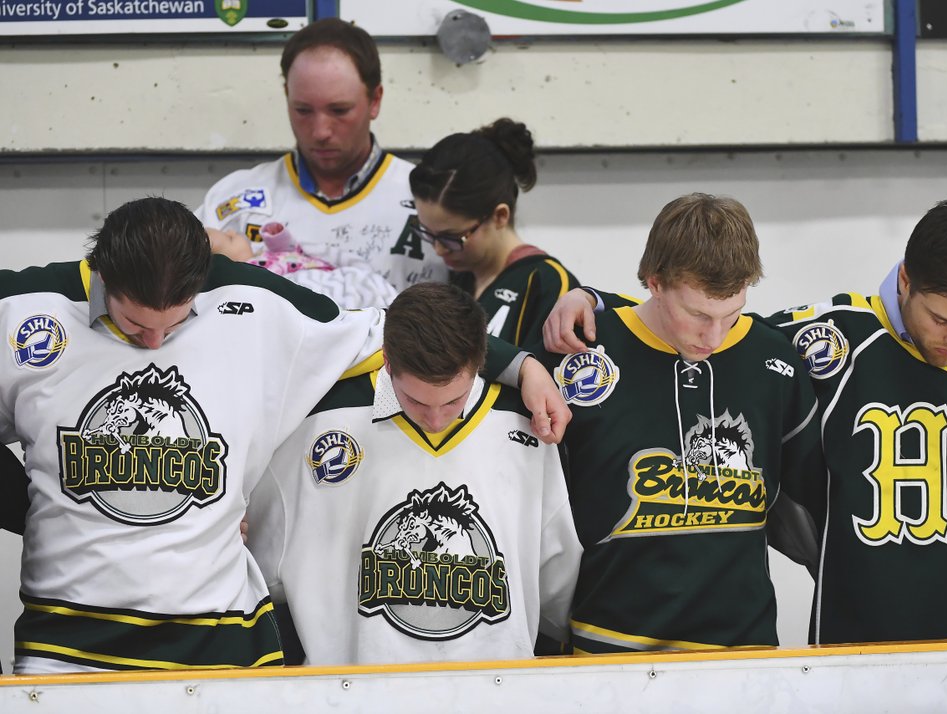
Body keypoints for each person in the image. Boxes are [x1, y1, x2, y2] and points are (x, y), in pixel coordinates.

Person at [0, 196, 569, 674]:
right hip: (65, 646)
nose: (153, 343)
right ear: (102, 272)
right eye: (133, 324)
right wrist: (34, 505)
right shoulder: (22, 310)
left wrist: (522, 367)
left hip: (221, 641)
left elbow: (393, 329)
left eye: (174, 324)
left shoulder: (260, 306)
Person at [545, 199, 947, 645]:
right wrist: (594, 301)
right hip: (859, 647)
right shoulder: (828, 338)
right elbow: (695, 316)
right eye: (941, 320)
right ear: (905, 280)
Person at [535, 193, 822, 654]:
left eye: (731, 313)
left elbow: (814, 512)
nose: (713, 336)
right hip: (606, 650)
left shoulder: (774, 361)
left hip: (742, 655)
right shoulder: (582, 353)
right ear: (654, 281)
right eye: (697, 315)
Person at [247, 282, 581, 665]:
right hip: (349, 693)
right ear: (387, 361)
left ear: (480, 363)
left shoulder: (526, 424)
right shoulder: (314, 422)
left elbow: (556, 573)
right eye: (416, 400)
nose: (436, 418)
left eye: (454, 400)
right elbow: (267, 575)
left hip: (494, 691)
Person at [195, 19, 446, 298]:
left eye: (339, 110)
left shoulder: (430, 204)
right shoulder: (233, 199)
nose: (320, 132)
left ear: (375, 101)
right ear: (287, 97)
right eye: (303, 110)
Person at [408, 118, 579, 349]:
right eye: (427, 233)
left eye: (452, 238)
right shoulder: (455, 277)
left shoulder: (547, 285)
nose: (438, 250)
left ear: (499, 216)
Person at [208, 222, 399, 308]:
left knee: (360, 281)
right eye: (229, 238)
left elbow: (289, 246)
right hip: (301, 287)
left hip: (323, 273)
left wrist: (276, 234)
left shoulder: (266, 252)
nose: (233, 231)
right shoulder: (246, 279)